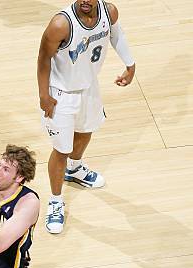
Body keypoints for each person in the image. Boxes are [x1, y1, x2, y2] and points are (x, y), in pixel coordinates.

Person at [37, 0, 135, 234]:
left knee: (86, 132)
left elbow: (116, 35)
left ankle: (76, 168)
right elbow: (43, 58)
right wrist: (44, 95)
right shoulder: (61, 24)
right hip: (61, 94)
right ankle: (56, 201)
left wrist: (130, 65)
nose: (85, 1)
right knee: (61, 149)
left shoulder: (108, 12)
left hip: (89, 87)